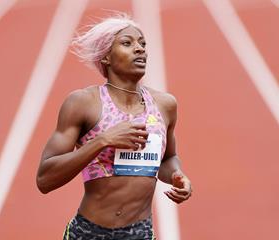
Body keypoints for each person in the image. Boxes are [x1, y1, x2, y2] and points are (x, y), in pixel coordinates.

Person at [36, 14, 192, 240]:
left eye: (142, 44)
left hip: (140, 234)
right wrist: (103, 141)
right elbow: (45, 179)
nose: (140, 49)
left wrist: (178, 175)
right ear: (106, 56)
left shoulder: (165, 105)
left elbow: (167, 159)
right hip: (89, 233)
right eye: (127, 43)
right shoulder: (84, 103)